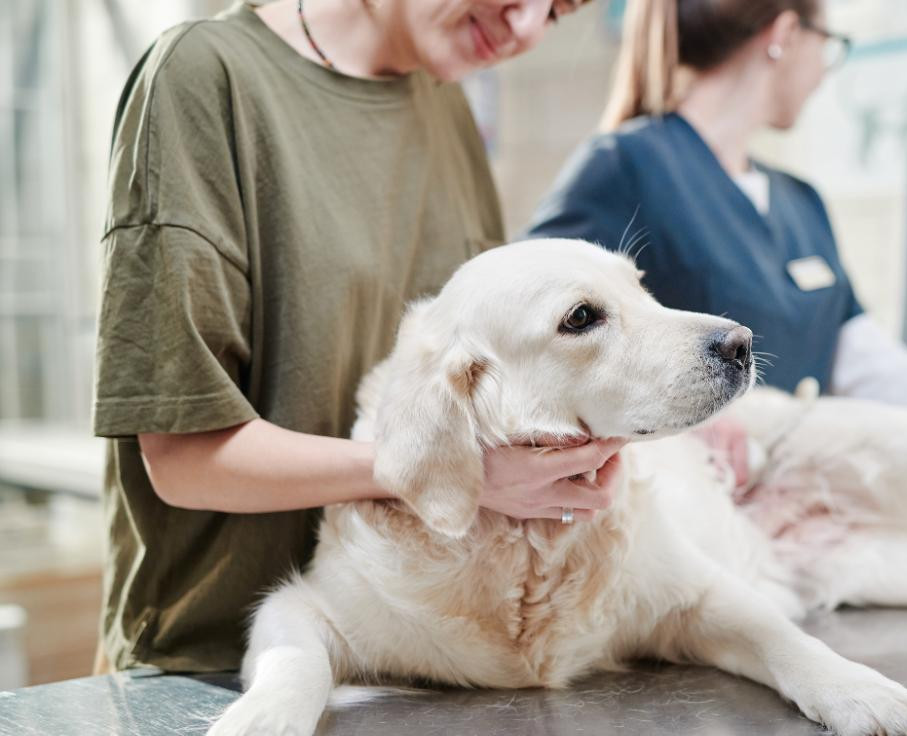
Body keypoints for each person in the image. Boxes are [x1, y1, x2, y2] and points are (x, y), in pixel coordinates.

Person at [92, 0, 624, 675]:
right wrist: (431, 468)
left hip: (408, 656)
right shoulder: (204, 79)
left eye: (556, 14)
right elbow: (183, 458)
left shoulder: (446, 106)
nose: (523, 30)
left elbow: (476, 397)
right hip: (210, 668)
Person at [526, 0, 907, 525]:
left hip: (799, 524)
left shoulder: (798, 200)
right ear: (784, 34)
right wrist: (690, 425)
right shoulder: (624, 166)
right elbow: (529, 353)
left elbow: (866, 366)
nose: (822, 73)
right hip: (685, 535)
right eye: (829, 47)